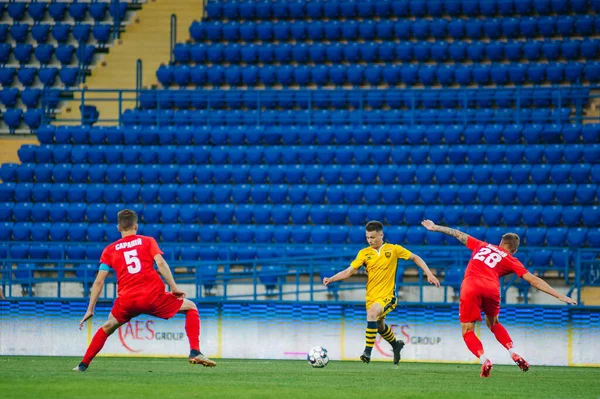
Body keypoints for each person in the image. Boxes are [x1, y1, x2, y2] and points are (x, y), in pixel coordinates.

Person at [421, 220, 577, 377]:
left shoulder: (482, 245)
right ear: (514, 251)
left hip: (471, 284)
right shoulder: (511, 260)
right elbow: (532, 280)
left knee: (468, 330)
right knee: (494, 323)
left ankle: (484, 360)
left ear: (501, 242)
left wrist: (435, 228)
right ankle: (513, 351)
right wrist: (559, 295)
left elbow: (458, 234)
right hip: (492, 287)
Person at [73, 209, 215, 371]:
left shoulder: (109, 250)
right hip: (152, 297)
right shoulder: (147, 241)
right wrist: (174, 287)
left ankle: (83, 365)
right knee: (191, 308)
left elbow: (99, 281)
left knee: (107, 327)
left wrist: (90, 308)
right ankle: (195, 351)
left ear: (118, 228)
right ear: (136, 226)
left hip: (127, 300)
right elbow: (160, 263)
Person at [323, 220, 440, 364]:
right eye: (367, 237)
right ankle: (396, 345)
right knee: (379, 327)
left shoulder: (393, 249)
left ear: (381, 235)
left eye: (372, 237)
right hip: (371, 296)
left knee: (372, 314)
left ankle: (367, 352)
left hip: (388, 296)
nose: (369, 240)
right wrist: (332, 279)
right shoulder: (364, 254)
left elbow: (415, 257)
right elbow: (349, 271)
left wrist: (429, 273)